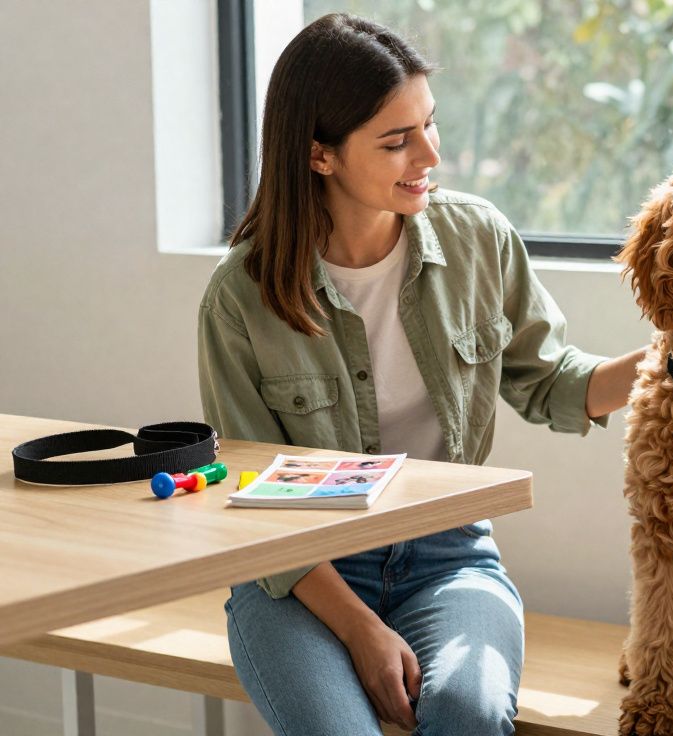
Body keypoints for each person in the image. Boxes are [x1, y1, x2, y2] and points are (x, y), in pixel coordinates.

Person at [197, 14, 642, 735]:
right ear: (320, 155)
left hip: (450, 556)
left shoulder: (478, 239)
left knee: (468, 712)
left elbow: (553, 382)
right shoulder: (241, 297)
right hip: (301, 573)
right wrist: (360, 630)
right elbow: (253, 500)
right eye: (397, 140)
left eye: (430, 124)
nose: (429, 153)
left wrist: (670, 360)